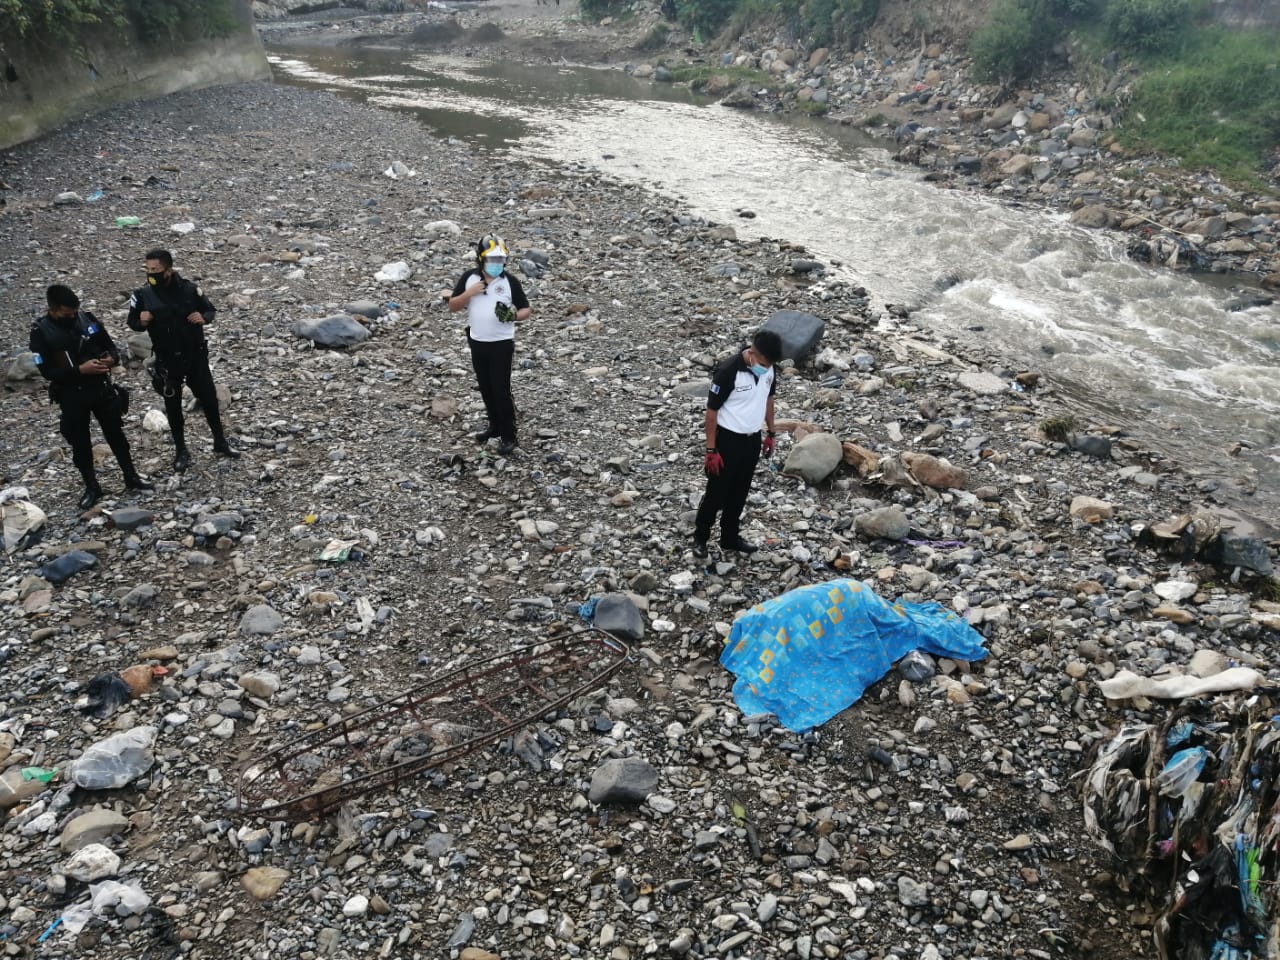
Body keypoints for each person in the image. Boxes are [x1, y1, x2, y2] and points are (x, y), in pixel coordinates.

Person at [30, 284, 153, 509]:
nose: (73, 317)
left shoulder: (86, 319)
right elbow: (47, 372)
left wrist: (111, 359)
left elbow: (111, 348)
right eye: (67, 314)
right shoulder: (41, 332)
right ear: (53, 310)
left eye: (75, 312)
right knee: (80, 443)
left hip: (100, 388)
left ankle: (131, 476)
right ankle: (92, 486)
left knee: (116, 434)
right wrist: (78, 370)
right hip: (71, 394)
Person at [127, 249, 239, 472]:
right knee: (173, 406)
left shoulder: (189, 289)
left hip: (195, 355)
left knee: (208, 399)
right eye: (148, 269)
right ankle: (181, 450)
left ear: (168, 270)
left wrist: (204, 318)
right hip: (167, 359)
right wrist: (141, 321)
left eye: (155, 270)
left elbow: (209, 308)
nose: (151, 273)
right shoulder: (142, 295)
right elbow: (133, 322)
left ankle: (220, 441)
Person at [693, 329, 783, 558]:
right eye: (763, 362)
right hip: (727, 440)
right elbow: (712, 411)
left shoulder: (769, 368)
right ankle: (701, 537)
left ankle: (729, 537)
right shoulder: (728, 371)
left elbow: (769, 399)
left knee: (740, 492)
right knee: (716, 492)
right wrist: (711, 450)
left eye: (770, 363)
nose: (766, 366)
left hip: (751, 439)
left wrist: (771, 432)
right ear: (752, 353)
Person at [446, 235, 531, 456]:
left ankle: (509, 435)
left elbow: (525, 309)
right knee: (485, 388)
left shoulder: (509, 281)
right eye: (492, 259)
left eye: (500, 260)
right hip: (477, 341)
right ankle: (494, 426)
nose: (496, 264)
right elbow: (453, 306)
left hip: (501, 343)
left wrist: (513, 315)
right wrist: (470, 293)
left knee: (501, 390)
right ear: (481, 259)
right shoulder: (469, 278)